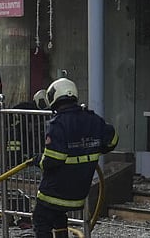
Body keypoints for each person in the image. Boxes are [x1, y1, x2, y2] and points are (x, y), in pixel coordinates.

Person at [33, 78, 118, 238]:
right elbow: (112, 141)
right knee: (58, 217)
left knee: (41, 218)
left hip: (55, 191)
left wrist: (38, 161)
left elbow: (52, 160)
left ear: (54, 97)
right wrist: (90, 148)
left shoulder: (58, 124)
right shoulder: (93, 119)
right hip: (79, 192)